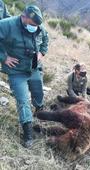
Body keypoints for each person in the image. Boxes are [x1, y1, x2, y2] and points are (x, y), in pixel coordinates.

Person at [0, 5, 49, 147]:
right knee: (23, 101)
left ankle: (39, 108)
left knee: (38, 92)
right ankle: (28, 133)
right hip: (16, 71)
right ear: (24, 17)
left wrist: (42, 53)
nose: (35, 27)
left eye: (37, 25)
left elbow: (45, 39)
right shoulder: (6, 25)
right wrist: (4, 58)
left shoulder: (39, 27)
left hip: (34, 68)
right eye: (32, 24)